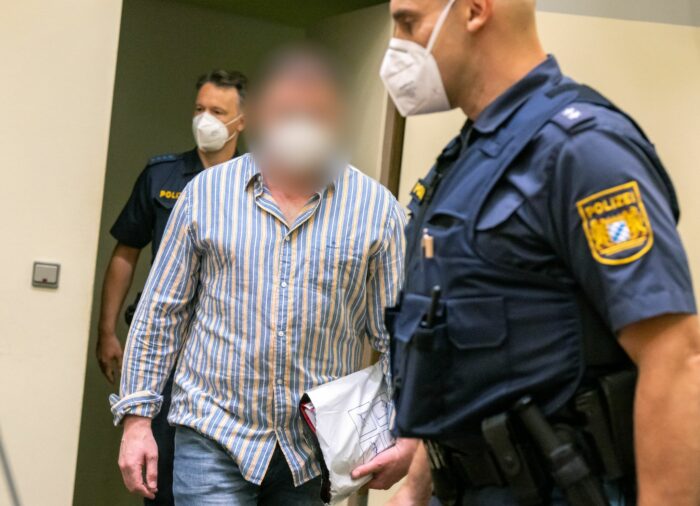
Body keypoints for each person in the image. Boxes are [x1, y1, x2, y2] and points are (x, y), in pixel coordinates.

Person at [379, 1, 700, 505]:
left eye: (408, 22)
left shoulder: (581, 149)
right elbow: (454, 352)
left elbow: (676, 358)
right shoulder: (467, 157)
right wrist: (416, 488)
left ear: (475, 11)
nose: (396, 46)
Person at [109, 47, 415, 505]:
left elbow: (400, 333)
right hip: (212, 432)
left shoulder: (378, 211)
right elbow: (160, 314)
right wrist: (137, 420)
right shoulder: (206, 194)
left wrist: (403, 431)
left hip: (313, 449)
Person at [97, 69, 248, 505]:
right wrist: (107, 331)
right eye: (200, 109)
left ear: (242, 121)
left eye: (218, 111)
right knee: (158, 473)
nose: (206, 119)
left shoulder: (258, 182)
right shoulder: (163, 175)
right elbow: (125, 253)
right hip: (166, 348)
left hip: (224, 350)